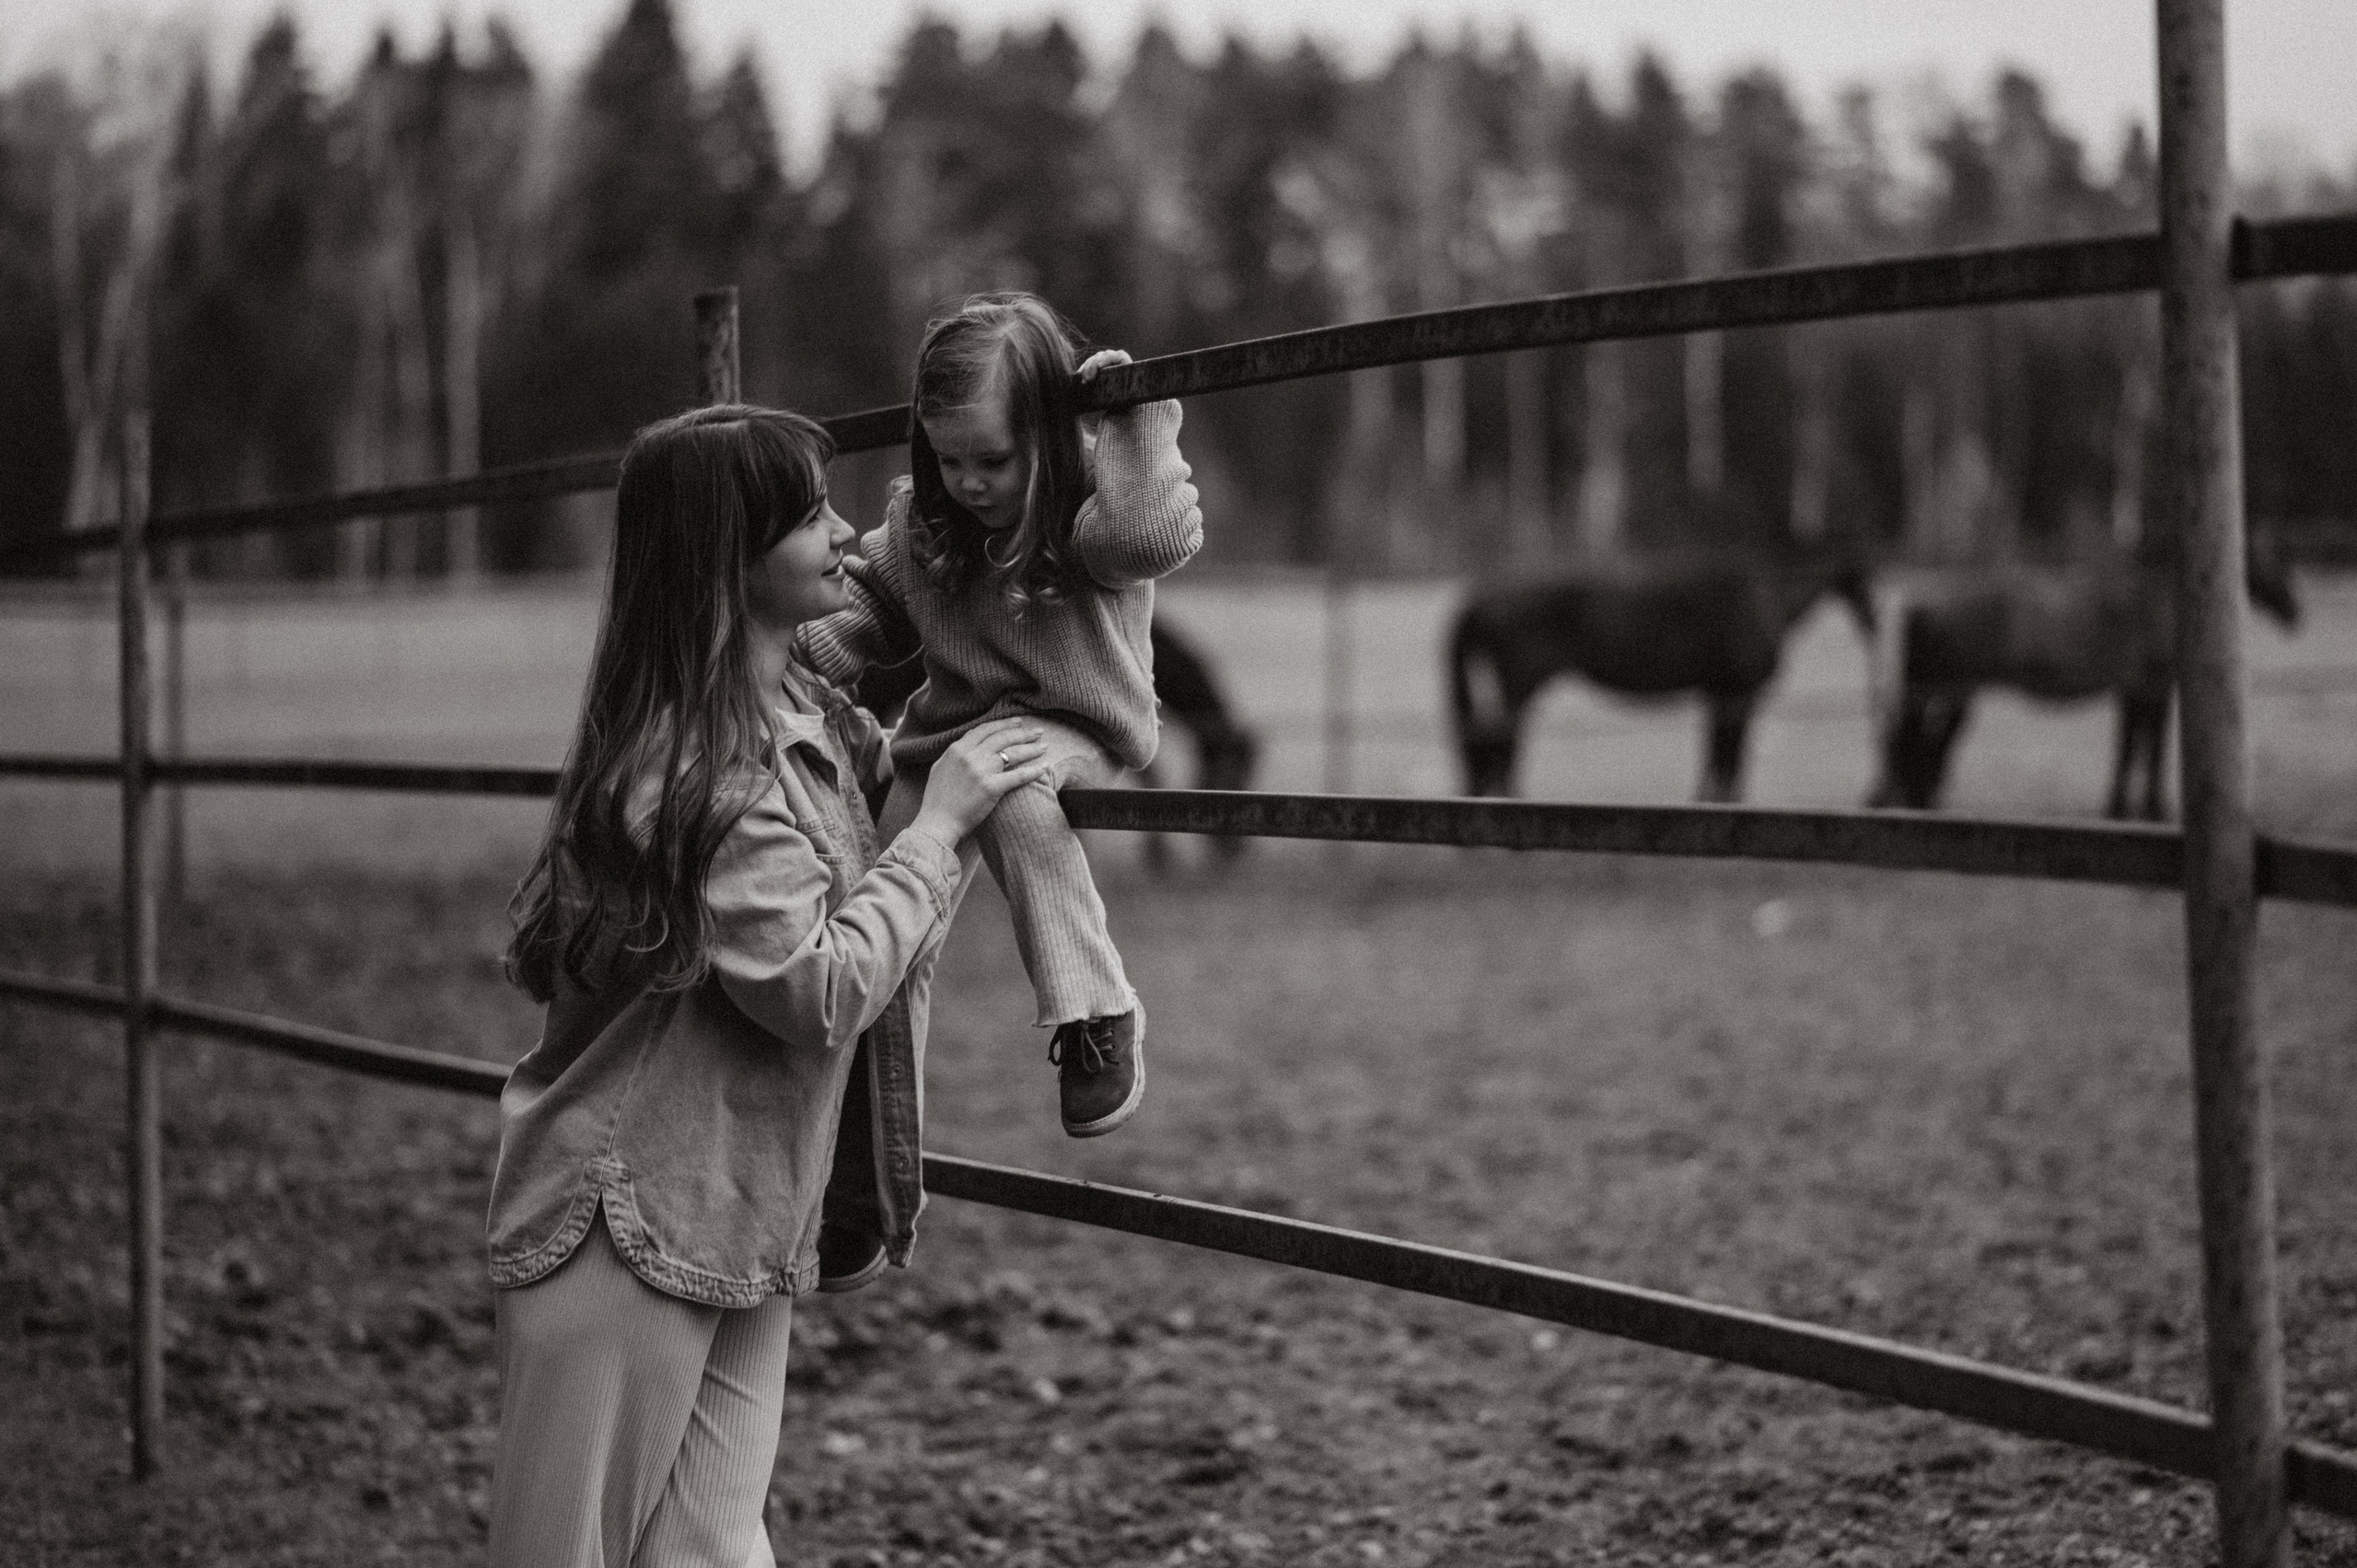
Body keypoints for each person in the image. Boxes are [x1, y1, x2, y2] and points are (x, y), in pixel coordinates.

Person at [484, 402, 1052, 1568]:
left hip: (748, 1209)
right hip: (627, 1220)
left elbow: (848, 825)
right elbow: (819, 987)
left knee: (715, 1550)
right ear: (730, 554)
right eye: (811, 514)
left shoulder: (798, 716)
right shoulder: (697, 774)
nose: (847, 531)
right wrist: (939, 828)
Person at [798, 292, 1203, 1141]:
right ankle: (867, 1143)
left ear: (1048, 438)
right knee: (882, 886)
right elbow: (870, 604)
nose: (969, 482)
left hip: (1079, 728)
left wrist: (1131, 413)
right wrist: (792, 659)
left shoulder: (1086, 517)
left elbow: (1152, 534)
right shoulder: (928, 523)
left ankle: (1096, 1012)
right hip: (946, 746)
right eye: (949, 460)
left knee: (1019, 798)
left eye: (993, 459)